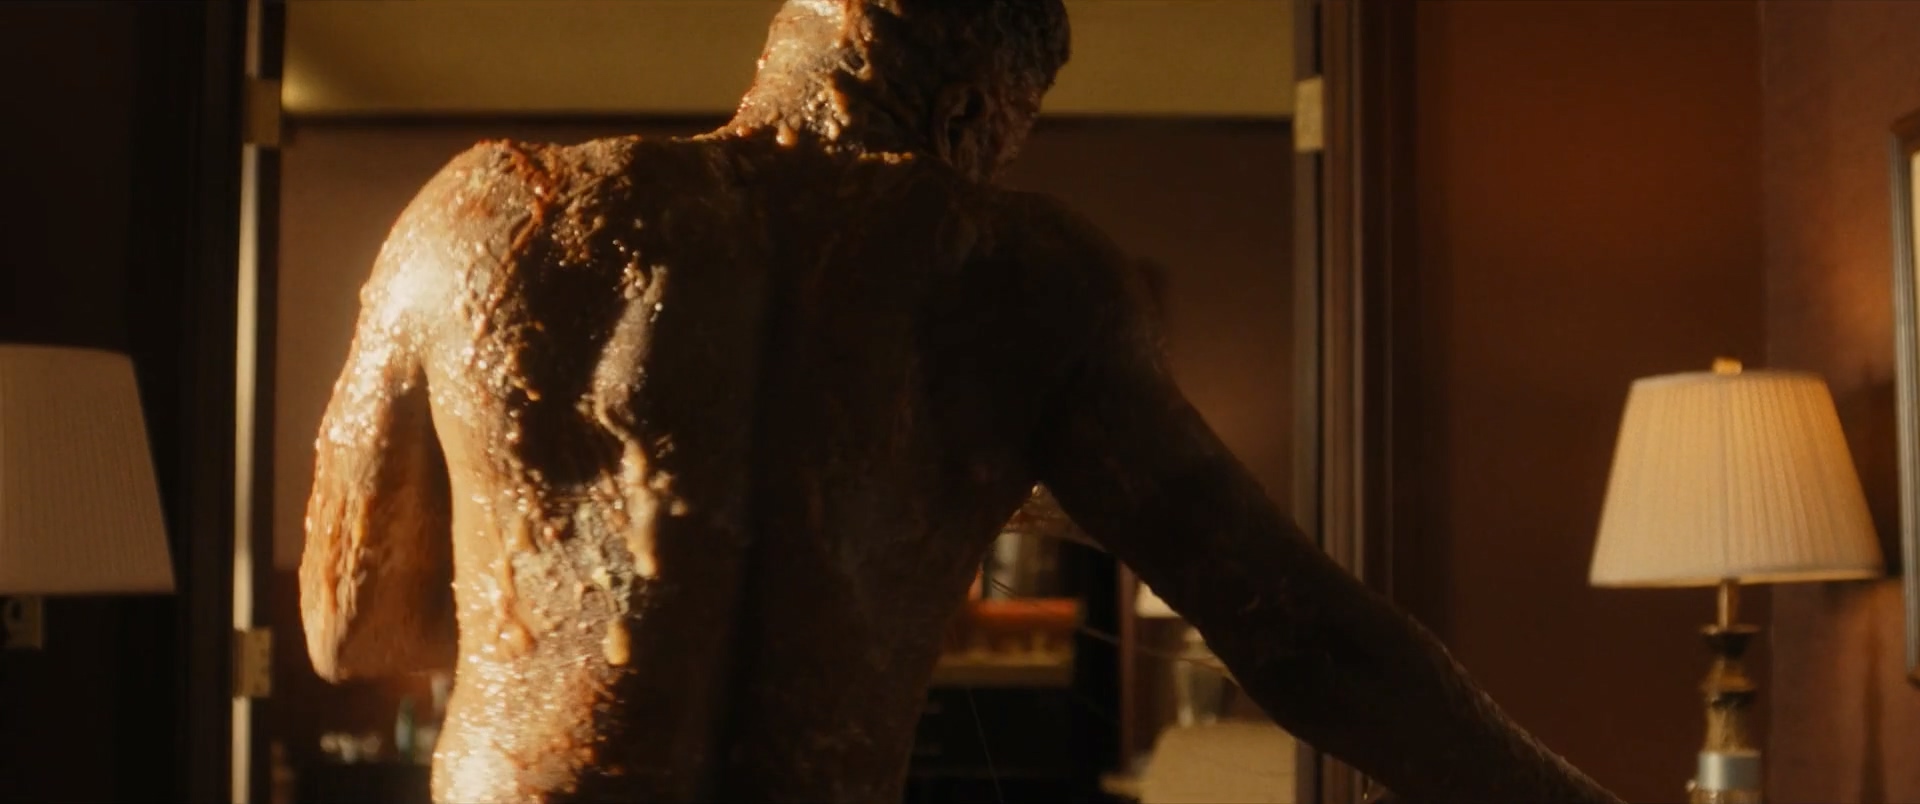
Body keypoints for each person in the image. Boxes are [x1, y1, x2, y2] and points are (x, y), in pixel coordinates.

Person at [299, 1, 1623, 802]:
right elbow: (1309, 641)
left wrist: (580, 621)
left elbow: (352, 628)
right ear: (974, 108)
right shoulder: (1020, 273)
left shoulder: (484, 213)